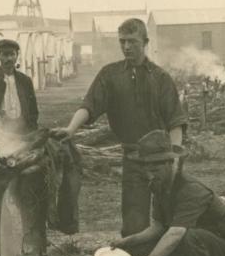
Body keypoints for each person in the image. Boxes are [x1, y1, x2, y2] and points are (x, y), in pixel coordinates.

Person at [59, 18, 188, 236]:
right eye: (122, 41)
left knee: (169, 220)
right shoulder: (110, 75)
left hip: (162, 161)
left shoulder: (161, 78)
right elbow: (89, 105)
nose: (126, 47)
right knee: (133, 224)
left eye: (132, 41)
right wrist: (71, 129)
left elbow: (175, 122)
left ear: (145, 42)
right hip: (134, 159)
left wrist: (174, 161)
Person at [0, 38, 39, 134]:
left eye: (12, 54)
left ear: (17, 56)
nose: (9, 58)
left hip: (23, 132)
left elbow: (33, 109)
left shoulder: (25, 80)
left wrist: (31, 128)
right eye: (5, 54)